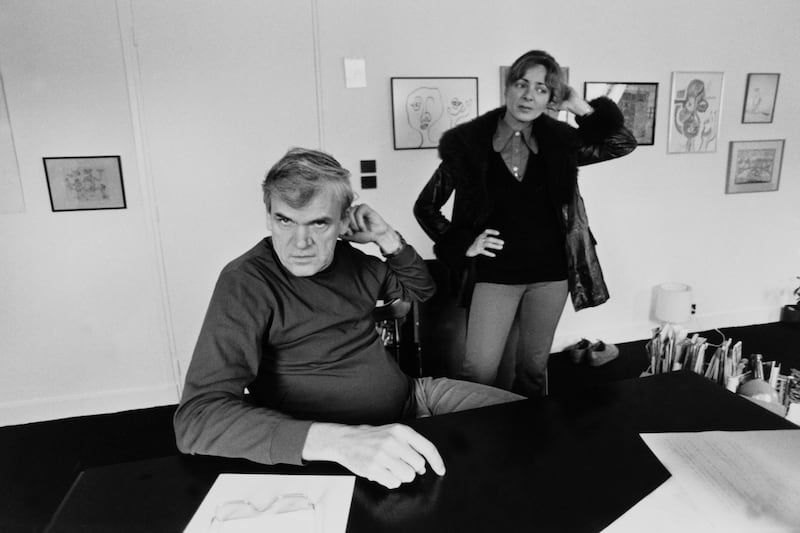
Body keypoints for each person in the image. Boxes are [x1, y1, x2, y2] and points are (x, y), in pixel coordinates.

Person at [174, 147, 522, 489]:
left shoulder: (354, 262)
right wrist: (338, 442)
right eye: (284, 220)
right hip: (341, 442)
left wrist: (387, 238)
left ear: (343, 222)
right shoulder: (246, 282)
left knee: (528, 425)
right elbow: (197, 419)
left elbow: (420, 291)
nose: (300, 243)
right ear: (268, 217)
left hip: (415, 398)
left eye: (319, 223)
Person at [413, 50, 637, 398]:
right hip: (495, 277)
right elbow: (426, 206)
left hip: (551, 277)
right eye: (522, 84)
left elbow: (621, 143)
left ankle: (528, 442)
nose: (529, 95)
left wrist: (578, 105)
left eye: (542, 88)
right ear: (508, 88)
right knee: (479, 371)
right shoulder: (469, 145)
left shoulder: (561, 143)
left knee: (532, 369)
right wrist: (464, 241)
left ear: (551, 98)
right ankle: (478, 443)